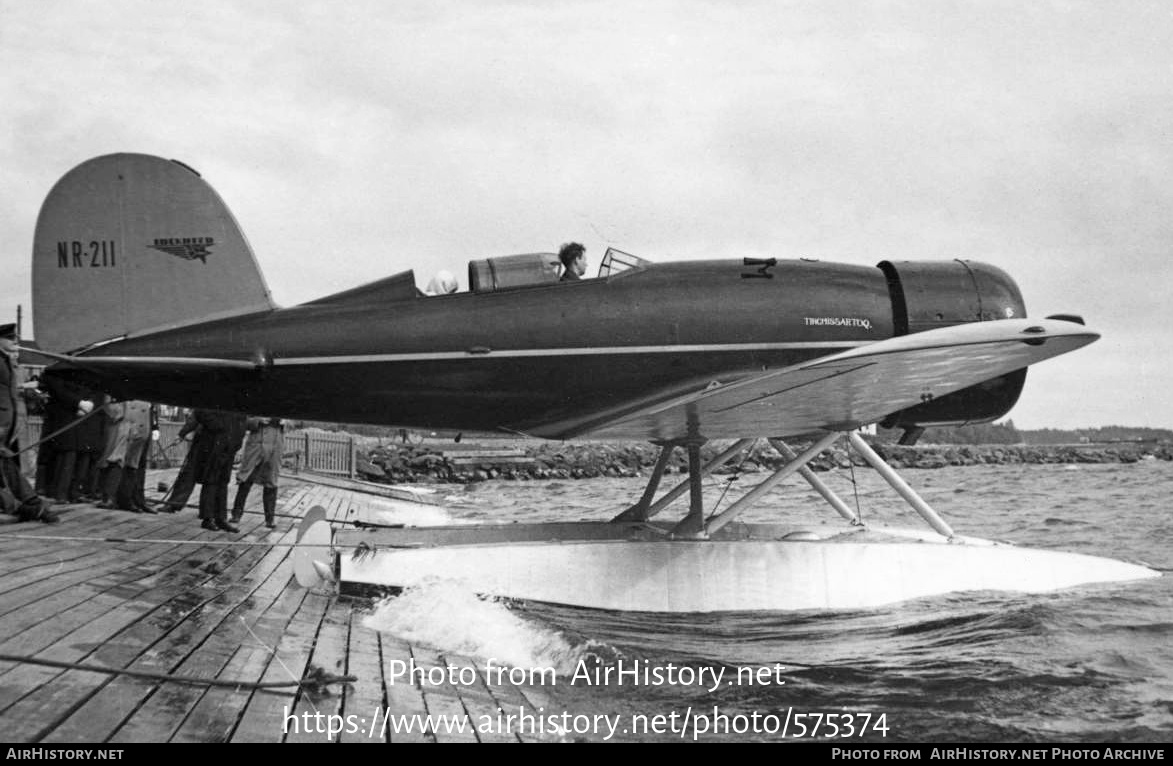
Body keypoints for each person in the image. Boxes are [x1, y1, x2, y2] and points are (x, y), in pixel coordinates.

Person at [0, 322, 57, 523]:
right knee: (5, 464)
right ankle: (28, 505)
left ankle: (27, 505)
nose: (15, 342)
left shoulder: (6, 362)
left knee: (5, 464)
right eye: (10, 339)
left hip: (6, 424)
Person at [188, 409, 247, 533]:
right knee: (210, 480)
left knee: (223, 481)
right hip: (213, 443)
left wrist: (238, 441)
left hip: (230, 445)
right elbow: (200, 412)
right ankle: (207, 518)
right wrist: (220, 426)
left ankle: (221, 518)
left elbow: (242, 419)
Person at [231, 417, 284, 528]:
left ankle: (270, 519)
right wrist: (259, 420)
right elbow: (243, 421)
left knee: (271, 482)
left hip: (275, 447)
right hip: (256, 447)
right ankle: (236, 514)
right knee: (245, 479)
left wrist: (285, 422)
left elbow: (296, 422)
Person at [160, 409, 200, 512]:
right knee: (189, 475)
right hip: (208, 444)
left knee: (188, 475)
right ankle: (174, 503)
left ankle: (174, 504)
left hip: (206, 444)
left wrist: (181, 434)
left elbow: (195, 417)